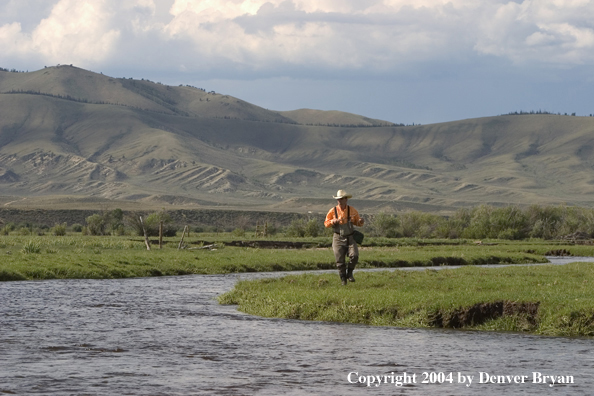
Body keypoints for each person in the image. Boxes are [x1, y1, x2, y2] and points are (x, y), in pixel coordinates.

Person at [324, 190, 365, 285]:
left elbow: (357, 223)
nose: (339, 201)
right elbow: (326, 223)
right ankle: (343, 279)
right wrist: (333, 221)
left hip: (351, 237)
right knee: (339, 259)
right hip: (338, 237)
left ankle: (349, 273)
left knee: (354, 256)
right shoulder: (332, 211)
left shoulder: (352, 210)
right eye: (338, 199)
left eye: (341, 199)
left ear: (346, 199)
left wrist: (360, 221)